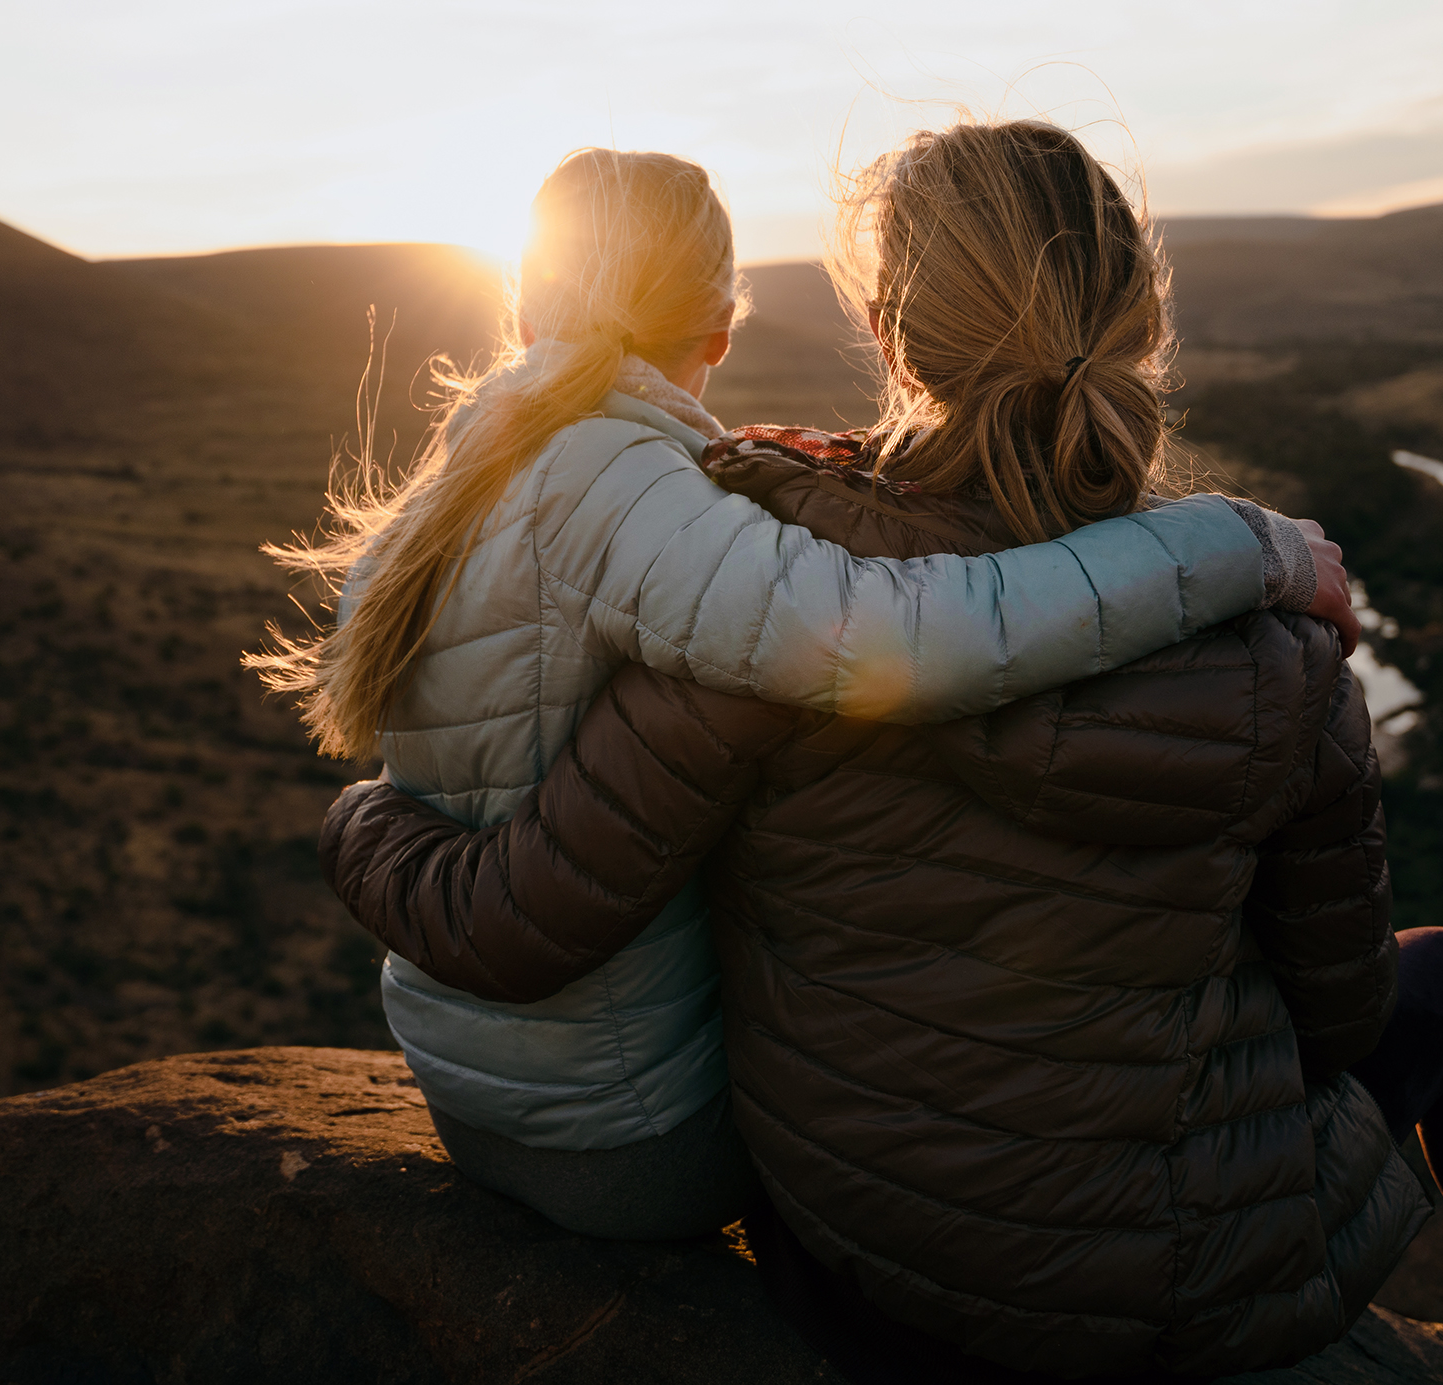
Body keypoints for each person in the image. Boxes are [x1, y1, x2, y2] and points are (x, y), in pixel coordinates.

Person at [317, 123, 1443, 1384]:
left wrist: (368, 821)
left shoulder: (750, 626)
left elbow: (545, 897)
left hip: (864, 1283)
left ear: (886, 330)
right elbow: (1339, 1017)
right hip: (1204, 1284)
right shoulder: (1283, 661)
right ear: (1141, 332)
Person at [250, 146, 1356, 1245]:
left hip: (479, 1092)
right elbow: (904, 638)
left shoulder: (476, 466)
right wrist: (1232, 545)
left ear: (521, 305)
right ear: (721, 330)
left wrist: (362, 824)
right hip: (632, 1139)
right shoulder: (614, 485)